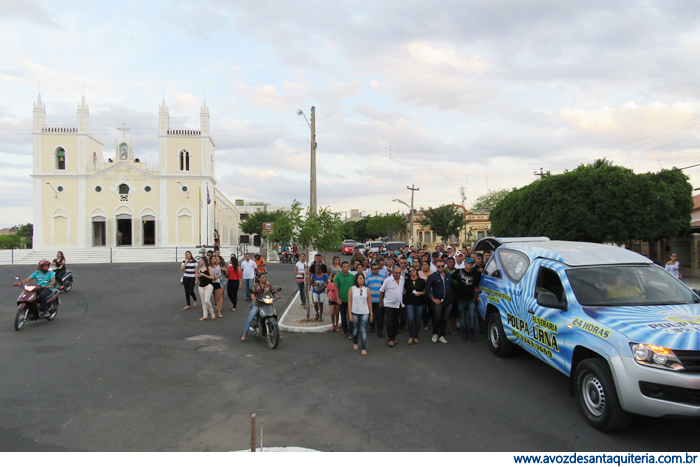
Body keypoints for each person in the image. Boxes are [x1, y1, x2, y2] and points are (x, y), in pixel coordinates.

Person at [241, 273, 280, 341]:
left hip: (267, 303)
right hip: (258, 304)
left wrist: (276, 296)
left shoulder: (268, 284)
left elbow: (272, 291)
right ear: (259, 279)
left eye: (265, 277)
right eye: (262, 277)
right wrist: (253, 296)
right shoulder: (256, 285)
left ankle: (278, 332)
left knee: (273, 316)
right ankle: (245, 333)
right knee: (250, 318)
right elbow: (252, 292)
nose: (264, 278)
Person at [453, 258, 481, 342]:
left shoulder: (476, 273)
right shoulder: (459, 271)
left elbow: (478, 283)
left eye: (471, 263)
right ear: (465, 264)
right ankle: (464, 334)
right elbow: (450, 278)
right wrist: (455, 288)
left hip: (471, 299)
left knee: (472, 317)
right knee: (463, 318)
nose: (470, 265)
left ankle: (472, 334)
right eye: (468, 263)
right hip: (461, 299)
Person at [425, 259, 453, 344]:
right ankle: (435, 334)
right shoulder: (432, 276)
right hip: (438, 302)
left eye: (442, 266)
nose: (440, 267)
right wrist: (433, 299)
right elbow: (427, 289)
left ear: (444, 266)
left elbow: (452, 285)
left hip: (448, 301)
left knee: (445, 319)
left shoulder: (448, 275)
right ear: (436, 267)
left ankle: (442, 335)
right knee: (437, 319)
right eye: (438, 266)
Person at [379, 265, 405, 347]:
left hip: (398, 304)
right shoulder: (387, 280)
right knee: (390, 322)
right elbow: (381, 291)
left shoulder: (402, 279)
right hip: (389, 304)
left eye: (399, 273)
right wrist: (380, 302)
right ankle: (390, 339)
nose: (398, 274)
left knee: (396, 322)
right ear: (392, 272)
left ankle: (393, 337)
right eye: (396, 273)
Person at [348, 273, 373, 355]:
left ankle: (363, 347)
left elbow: (369, 302)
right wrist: (350, 314)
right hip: (355, 312)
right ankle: (355, 342)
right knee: (355, 330)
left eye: (363, 278)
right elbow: (350, 302)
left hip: (365, 312)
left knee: (363, 330)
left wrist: (371, 313)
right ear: (356, 279)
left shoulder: (367, 289)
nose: (362, 280)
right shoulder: (352, 289)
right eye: (360, 278)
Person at [404, 266, 426, 345]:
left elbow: (425, 291)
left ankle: (416, 336)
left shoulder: (422, 281)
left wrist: (420, 293)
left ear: (416, 270)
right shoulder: (406, 281)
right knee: (410, 319)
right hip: (409, 302)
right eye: (410, 271)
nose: (412, 272)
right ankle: (410, 336)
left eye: (413, 270)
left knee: (417, 320)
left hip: (419, 302)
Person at [334, 261, 355, 338]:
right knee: (343, 316)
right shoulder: (338, 276)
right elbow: (336, 288)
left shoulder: (352, 276)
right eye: (344, 266)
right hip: (342, 299)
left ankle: (351, 331)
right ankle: (345, 330)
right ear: (341, 267)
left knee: (351, 315)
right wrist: (338, 298)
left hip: (351, 300)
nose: (346, 268)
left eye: (347, 266)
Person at [365, 262, 385, 336]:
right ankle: (372, 327)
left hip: (379, 300)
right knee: (371, 314)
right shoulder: (367, 278)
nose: (376, 270)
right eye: (374, 269)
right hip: (370, 300)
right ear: (371, 270)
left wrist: (382, 300)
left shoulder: (382, 277)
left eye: (377, 268)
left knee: (379, 316)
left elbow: (384, 289)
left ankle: (380, 330)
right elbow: (365, 288)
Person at [195, 256, 216, 321]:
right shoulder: (200, 269)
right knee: (203, 301)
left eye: (201, 260)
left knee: (207, 300)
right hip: (201, 285)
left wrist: (203, 275)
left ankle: (211, 311)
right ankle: (205, 315)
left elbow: (212, 277)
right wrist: (198, 276)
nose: (200, 261)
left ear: (204, 261)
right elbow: (200, 279)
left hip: (208, 285)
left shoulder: (209, 268)